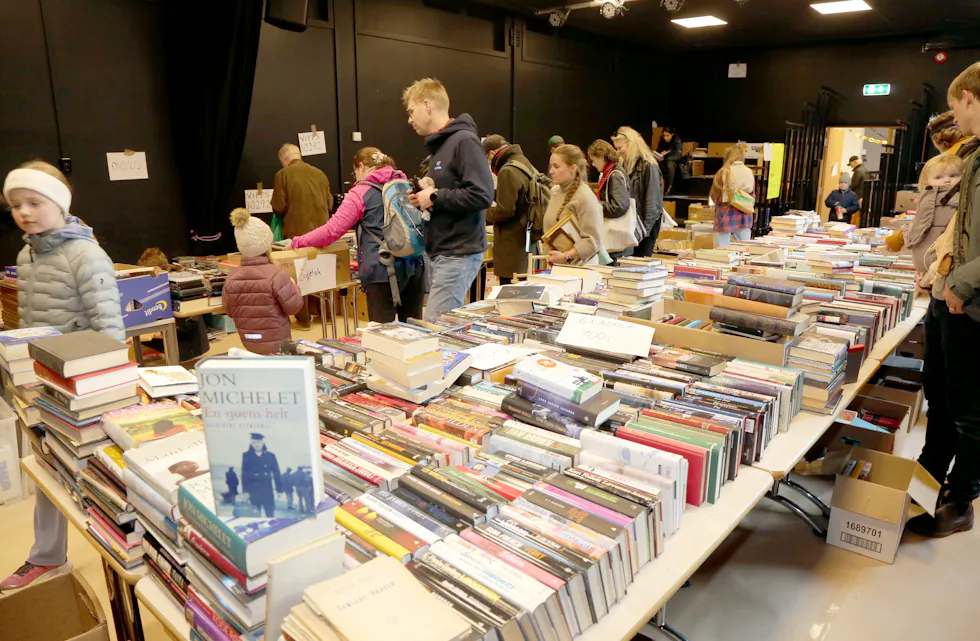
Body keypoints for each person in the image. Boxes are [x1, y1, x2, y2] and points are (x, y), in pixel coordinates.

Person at [1, 161, 125, 591]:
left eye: (34, 202)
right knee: (46, 466)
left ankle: (127, 553)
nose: (24, 212)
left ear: (60, 203)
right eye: (16, 204)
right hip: (43, 382)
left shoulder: (86, 255)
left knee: (102, 473)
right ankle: (48, 557)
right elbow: (30, 323)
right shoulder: (26, 255)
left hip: (89, 387)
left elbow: (110, 329)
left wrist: (106, 391)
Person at [908, 62, 980, 538]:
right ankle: (928, 474)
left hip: (969, 302)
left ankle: (960, 499)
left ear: (970, 97)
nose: (958, 119)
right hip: (947, 294)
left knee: (970, 409)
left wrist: (963, 282)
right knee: (940, 394)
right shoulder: (973, 153)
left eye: (957, 108)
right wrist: (940, 274)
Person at [289, 148, 426, 323]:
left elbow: (331, 231)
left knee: (382, 333)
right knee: (414, 330)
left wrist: (297, 242)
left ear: (361, 166)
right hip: (415, 265)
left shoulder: (360, 192)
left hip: (382, 270)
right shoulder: (404, 183)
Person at [402, 78, 494, 318]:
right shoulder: (441, 147)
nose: (409, 120)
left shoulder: (463, 141)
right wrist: (425, 199)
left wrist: (435, 196)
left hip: (457, 252)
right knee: (440, 326)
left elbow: (483, 194)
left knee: (436, 327)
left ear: (427, 105)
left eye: (411, 111)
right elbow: (450, 194)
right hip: (442, 251)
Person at [223, 208, 304, 354]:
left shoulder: (231, 278)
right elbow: (294, 306)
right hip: (278, 343)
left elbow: (229, 311)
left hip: (249, 342)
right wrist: (294, 286)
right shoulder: (276, 275)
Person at [272, 143, 334, 328]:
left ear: (284, 159)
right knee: (321, 273)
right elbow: (330, 203)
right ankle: (325, 314)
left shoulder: (282, 175)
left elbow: (278, 206)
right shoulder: (320, 174)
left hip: (296, 234)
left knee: (299, 276)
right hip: (322, 233)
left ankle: (303, 319)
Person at [484, 135, 537, 285]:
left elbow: (505, 211)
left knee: (510, 291)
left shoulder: (507, 170)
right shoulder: (523, 162)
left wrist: (483, 213)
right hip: (527, 238)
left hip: (512, 245)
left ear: (492, 154)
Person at [902, 154, 963, 281]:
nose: (947, 180)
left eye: (953, 176)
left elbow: (917, 229)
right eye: (939, 177)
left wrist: (907, 236)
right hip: (932, 258)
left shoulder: (956, 198)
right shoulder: (928, 198)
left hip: (938, 258)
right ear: (927, 181)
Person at [542, 144, 605, 266]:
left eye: (556, 166)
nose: (551, 171)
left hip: (578, 270)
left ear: (573, 168)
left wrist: (566, 256)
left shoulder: (585, 197)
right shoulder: (555, 192)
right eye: (551, 166)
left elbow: (592, 241)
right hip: (554, 267)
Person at [612, 126, 663, 257]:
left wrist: (641, 233)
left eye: (620, 148)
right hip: (630, 226)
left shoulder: (649, 166)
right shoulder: (624, 166)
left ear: (631, 144)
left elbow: (653, 205)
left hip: (644, 229)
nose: (618, 152)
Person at [588, 139, 632, 259]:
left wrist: (595, 204)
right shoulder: (611, 172)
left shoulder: (614, 175)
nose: (593, 164)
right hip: (617, 241)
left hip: (617, 242)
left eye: (593, 160)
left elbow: (619, 207)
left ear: (601, 156)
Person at [709, 145, 756, 246]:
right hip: (744, 212)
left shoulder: (723, 171)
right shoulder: (749, 171)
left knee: (721, 248)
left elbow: (714, 195)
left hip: (725, 212)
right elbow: (752, 194)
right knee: (744, 247)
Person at [241, 433, 282, 518]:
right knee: (255, 515)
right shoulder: (246, 455)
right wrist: (245, 491)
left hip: (267, 490)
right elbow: (244, 474)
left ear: (263, 442)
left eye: (258, 442)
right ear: (251, 443)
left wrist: (279, 490)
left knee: (270, 514)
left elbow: (276, 473)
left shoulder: (270, 456)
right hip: (253, 491)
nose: (256, 444)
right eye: (254, 442)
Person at [657, 127, 684, 195]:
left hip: (677, 165)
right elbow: (658, 152)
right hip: (664, 163)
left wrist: (665, 158)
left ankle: (670, 187)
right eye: (664, 136)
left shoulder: (677, 141)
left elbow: (678, 157)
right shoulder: (662, 141)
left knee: (670, 164)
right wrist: (660, 155)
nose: (665, 138)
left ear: (672, 134)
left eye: (667, 136)